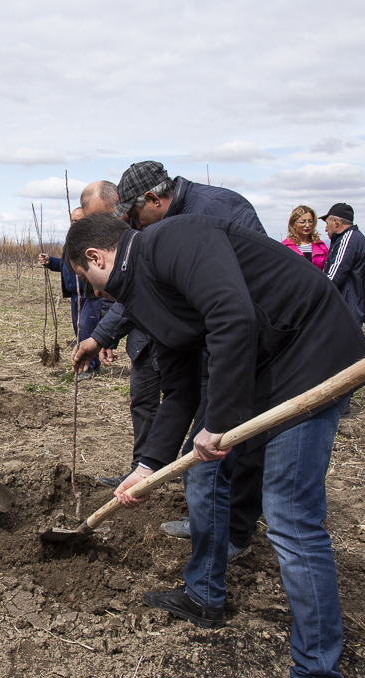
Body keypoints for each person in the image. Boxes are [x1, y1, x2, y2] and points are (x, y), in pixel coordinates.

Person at [68, 213, 365, 678]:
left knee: (291, 518)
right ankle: (204, 594)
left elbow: (234, 316)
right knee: (203, 476)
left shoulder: (174, 240)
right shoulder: (143, 295)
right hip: (260, 368)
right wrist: (147, 465)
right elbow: (181, 387)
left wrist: (220, 419)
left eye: (84, 276)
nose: (91, 291)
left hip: (308, 355)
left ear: (96, 257)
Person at [92, 161, 267, 562]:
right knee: (204, 451)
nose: (134, 227)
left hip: (243, 345)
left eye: (135, 216)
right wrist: (103, 334)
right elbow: (143, 293)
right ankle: (210, 524)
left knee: (227, 445)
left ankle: (234, 532)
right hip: (208, 343)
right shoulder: (157, 231)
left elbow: (246, 296)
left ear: (153, 199)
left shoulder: (217, 209)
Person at [38, 206, 101, 380]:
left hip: (89, 293)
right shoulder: (71, 241)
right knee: (79, 330)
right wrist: (50, 262)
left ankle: (87, 368)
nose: (74, 223)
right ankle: (93, 364)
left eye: (77, 220)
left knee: (86, 328)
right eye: (72, 220)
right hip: (75, 294)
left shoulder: (93, 240)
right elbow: (66, 265)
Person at [321, 203, 365, 326]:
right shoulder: (356, 238)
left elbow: (333, 277)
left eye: (327, 223)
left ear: (336, 223)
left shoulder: (348, 240)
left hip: (346, 308)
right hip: (351, 307)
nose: (326, 229)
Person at [282, 205, 329, 270]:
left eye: (310, 221)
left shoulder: (321, 247)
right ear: (293, 224)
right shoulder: (285, 247)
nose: (307, 225)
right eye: (302, 222)